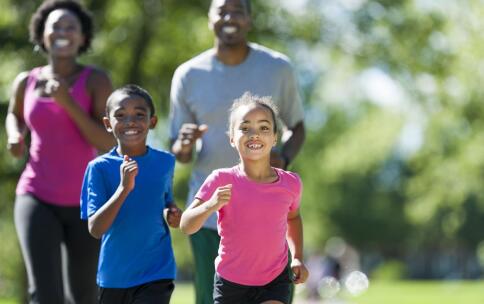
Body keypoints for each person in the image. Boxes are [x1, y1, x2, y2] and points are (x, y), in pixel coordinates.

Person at [169, 0, 305, 302]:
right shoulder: (188, 74)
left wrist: (283, 157)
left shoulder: (278, 67)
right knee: (209, 296)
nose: (230, 17)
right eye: (222, 10)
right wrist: (185, 145)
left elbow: (297, 127)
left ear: (249, 19)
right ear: (210, 19)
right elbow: (177, 148)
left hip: (267, 211)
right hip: (211, 210)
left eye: (238, 10)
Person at [5, 0, 115, 303]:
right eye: (56, 26)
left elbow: (107, 143)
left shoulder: (95, 80)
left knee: (84, 294)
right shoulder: (25, 81)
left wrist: (67, 103)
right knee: (45, 293)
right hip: (36, 194)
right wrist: (16, 134)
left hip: (85, 202)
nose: (63, 32)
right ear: (43, 34)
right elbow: (14, 114)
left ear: (82, 38)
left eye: (71, 27)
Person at [180, 93, 309, 304]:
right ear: (231, 138)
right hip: (231, 283)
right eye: (245, 128)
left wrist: (297, 257)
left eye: (264, 128)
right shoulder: (220, 179)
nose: (254, 134)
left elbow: (293, 218)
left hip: (274, 280)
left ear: (275, 137)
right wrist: (211, 205)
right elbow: (186, 225)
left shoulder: (291, 183)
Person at [80, 84, 182, 304]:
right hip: (114, 276)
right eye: (120, 115)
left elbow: (164, 201)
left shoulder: (166, 162)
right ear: (108, 124)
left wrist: (172, 213)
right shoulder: (98, 168)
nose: (131, 121)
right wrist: (123, 188)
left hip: (157, 271)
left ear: (152, 122)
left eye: (139, 114)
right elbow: (96, 229)